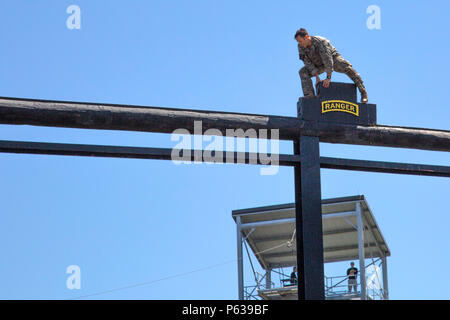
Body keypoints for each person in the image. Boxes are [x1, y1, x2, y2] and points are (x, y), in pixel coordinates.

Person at [294, 28, 368, 103]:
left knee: (346, 67)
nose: (300, 43)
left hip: (333, 59)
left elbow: (327, 59)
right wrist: (317, 77)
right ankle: (310, 96)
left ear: (306, 37)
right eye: (298, 42)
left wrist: (328, 78)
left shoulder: (321, 42)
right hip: (318, 64)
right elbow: (307, 63)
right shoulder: (300, 47)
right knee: (303, 72)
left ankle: (363, 92)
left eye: (300, 41)